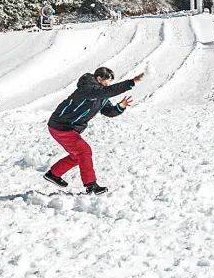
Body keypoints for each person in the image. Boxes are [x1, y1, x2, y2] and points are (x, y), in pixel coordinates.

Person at [43, 66, 144, 194]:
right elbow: (107, 91)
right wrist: (131, 82)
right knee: (84, 151)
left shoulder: (101, 95)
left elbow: (108, 111)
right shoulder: (87, 88)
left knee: (78, 155)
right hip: (61, 125)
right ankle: (91, 185)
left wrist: (120, 106)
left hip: (68, 127)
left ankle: (53, 174)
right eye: (108, 81)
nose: (109, 84)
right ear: (99, 78)